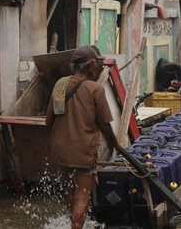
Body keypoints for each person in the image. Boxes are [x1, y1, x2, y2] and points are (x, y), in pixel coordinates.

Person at [45, 46, 120, 229]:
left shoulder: (60, 84)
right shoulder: (95, 89)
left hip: (60, 151)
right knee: (82, 193)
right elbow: (104, 125)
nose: (97, 68)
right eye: (96, 64)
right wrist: (114, 144)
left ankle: (73, 223)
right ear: (91, 65)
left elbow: (48, 121)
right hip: (83, 152)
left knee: (69, 191)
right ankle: (77, 226)